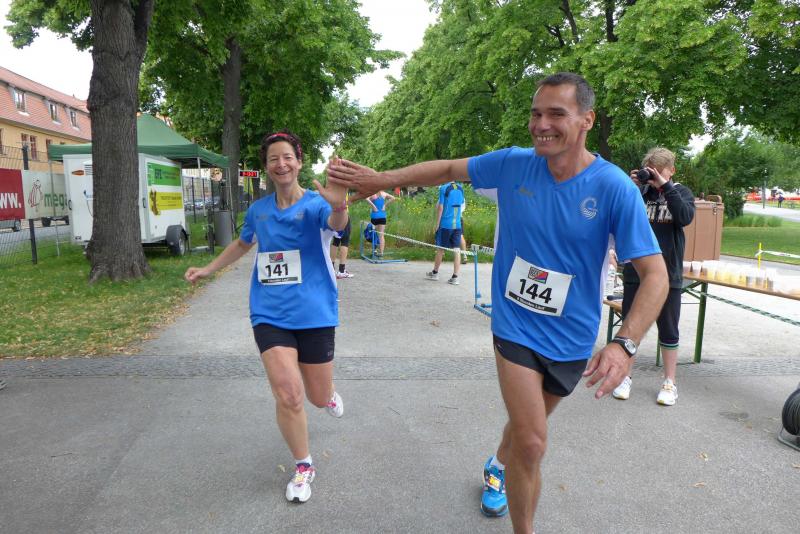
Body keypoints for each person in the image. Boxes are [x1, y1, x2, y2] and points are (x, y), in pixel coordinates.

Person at [328, 72, 668, 534]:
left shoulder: (613, 188)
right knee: (533, 442)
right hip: (514, 326)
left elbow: (655, 275)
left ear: (587, 120)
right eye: (535, 113)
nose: (541, 124)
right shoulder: (513, 164)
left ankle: (496, 465)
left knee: (525, 431)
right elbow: (448, 169)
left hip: (571, 337)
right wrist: (384, 179)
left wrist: (624, 344)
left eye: (556, 114)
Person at [185, 130, 348, 504]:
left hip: (315, 313)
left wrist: (339, 205)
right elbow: (243, 243)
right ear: (266, 167)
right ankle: (303, 465)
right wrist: (209, 269)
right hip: (270, 313)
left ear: (299, 162)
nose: (281, 164)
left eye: (287, 156)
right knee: (289, 393)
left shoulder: (317, 204)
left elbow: (337, 226)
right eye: (273, 158)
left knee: (316, 396)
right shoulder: (258, 211)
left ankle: (328, 396)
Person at [612, 148, 695, 406]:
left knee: (668, 329)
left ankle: (669, 382)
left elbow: (684, 217)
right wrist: (633, 188)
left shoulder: (681, 193)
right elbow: (621, 217)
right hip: (636, 273)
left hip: (668, 274)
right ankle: (625, 376)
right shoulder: (640, 193)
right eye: (652, 171)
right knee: (630, 326)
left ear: (672, 170)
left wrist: (665, 187)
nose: (655, 177)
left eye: (661, 172)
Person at [426, 181, 466, 285]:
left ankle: (435, 273)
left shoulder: (443, 188)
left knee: (440, 249)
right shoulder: (461, 188)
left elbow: (440, 207)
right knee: (457, 250)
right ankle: (455, 277)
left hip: (445, 224)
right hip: (457, 224)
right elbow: (461, 204)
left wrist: (437, 224)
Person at [331, 192, 354, 279]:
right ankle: (341, 270)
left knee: (336, 241)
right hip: (343, 215)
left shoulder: (333, 187)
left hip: (334, 215)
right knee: (345, 241)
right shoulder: (343, 188)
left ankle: (331, 268)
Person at [366, 190, 396, 256]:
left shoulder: (373, 194)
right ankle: (381, 252)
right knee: (381, 235)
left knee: (374, 234)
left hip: (375, 216)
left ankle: (375, 250)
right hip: (382, 216)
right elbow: (393, 198)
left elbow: (366, 199)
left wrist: (373, 206)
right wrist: (385, 205)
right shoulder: (384, 194)